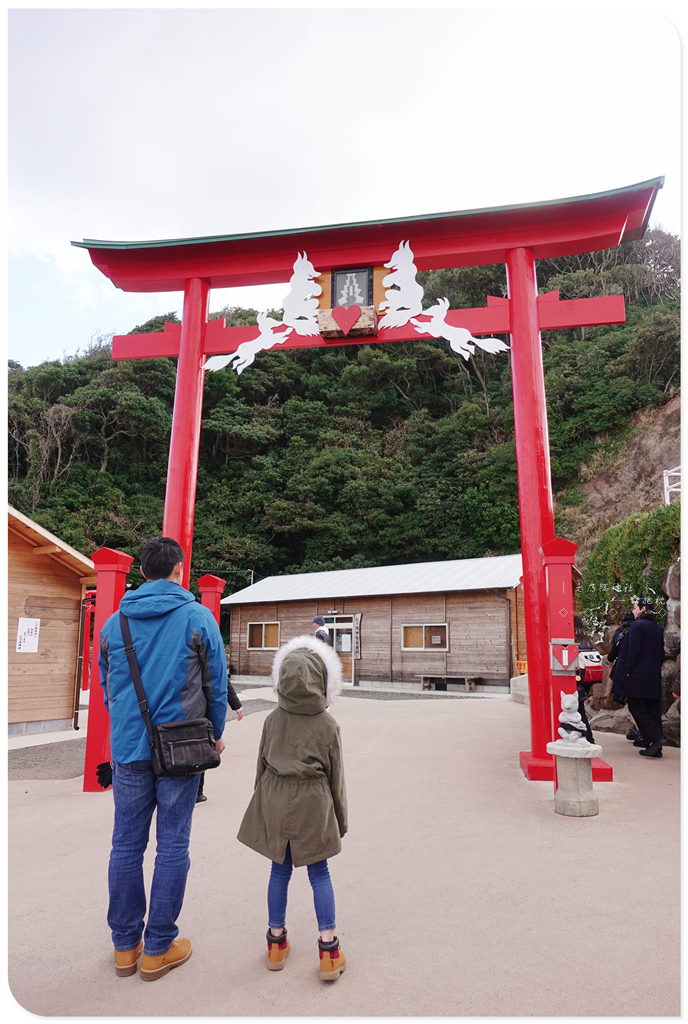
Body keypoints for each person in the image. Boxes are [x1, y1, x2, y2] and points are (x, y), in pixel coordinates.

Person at [99, 537, 229, 981]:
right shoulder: (198, 617)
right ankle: (157, 948)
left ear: (141, 574)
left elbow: (107, 686)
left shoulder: (115, 623)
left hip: (129, 749)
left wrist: (126, 725)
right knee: (173, 845)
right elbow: (215, 681)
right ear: (179, 571)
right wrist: (216, 733)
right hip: (183, 747)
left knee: (126, 845)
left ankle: (124, 947)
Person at [237, 634, 348, 980]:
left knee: (278, 871)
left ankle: (275, 941)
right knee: (320, 873)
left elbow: (261, 766)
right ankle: (329, 950)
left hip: (275, 798)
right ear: (323, 681)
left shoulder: (272, 720)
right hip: (313, 803)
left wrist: (262, 810)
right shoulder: (328, 725)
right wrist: (339, 821)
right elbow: (336, 779)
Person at [611, 597, 665, 758]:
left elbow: (633, 650)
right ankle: (656, 745)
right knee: (652, 708)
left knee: (635, 706)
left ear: (642, 609)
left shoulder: (637, 626)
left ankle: (655, 739)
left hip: (637, 674)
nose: (633, 611)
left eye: (635, 608)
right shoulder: (657, 627)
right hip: (653, 673)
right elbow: (661, 652)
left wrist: (628, 669)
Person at [607, 608, 640, 740]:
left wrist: (611, 660)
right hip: (641, 671)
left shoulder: (622, 632)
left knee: (632, 702)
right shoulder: (639, 630)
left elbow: (614, 650)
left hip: (625, 670)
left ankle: (637, 729)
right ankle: (636, 729)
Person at [573, 615, 602, 744]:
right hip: (587, 677)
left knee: (578, 709)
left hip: (576, 678)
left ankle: (588, 738)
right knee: (580, 708)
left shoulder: (570, 639)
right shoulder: (586, 639)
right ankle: (589, 738)